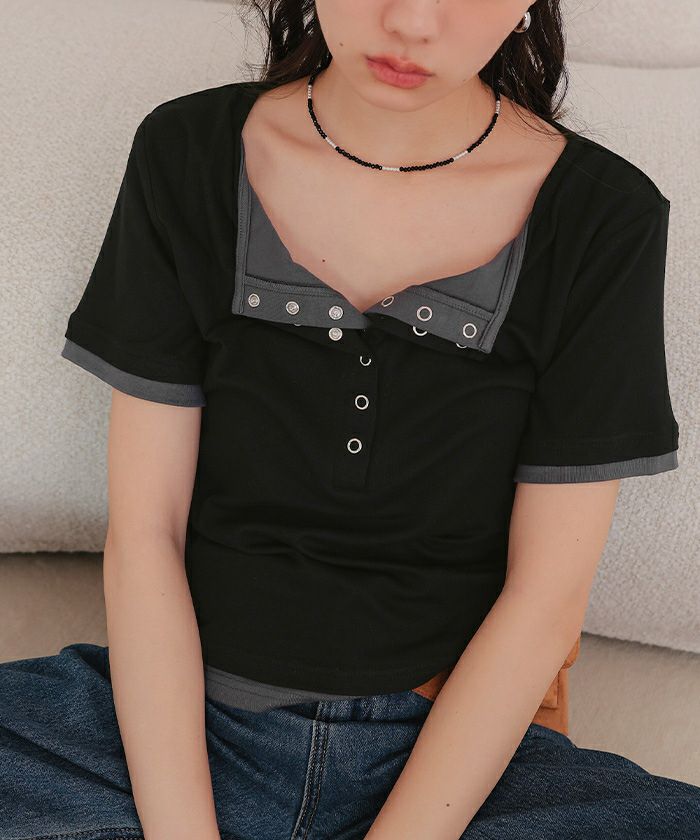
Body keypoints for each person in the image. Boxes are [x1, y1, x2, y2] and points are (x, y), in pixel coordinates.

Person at [1, 1, 698, 838]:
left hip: (445, 773)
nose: (412, 21)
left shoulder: (606, 216)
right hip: (160, 738)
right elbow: (146, 533)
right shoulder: (186, 149)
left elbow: (544, 601)